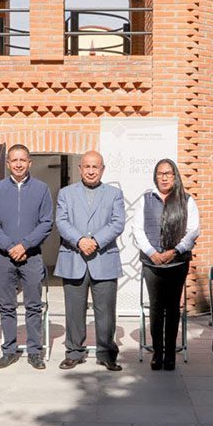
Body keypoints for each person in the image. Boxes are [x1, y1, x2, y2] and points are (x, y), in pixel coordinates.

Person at [55, 151, 125, 371]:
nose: (91, 171)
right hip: (73, 258)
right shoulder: (66, 193)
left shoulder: (114, 194)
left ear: (102, 169)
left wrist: (95, 241)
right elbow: (62, 221)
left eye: (96, 167)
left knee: (106, 311)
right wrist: (80, 241)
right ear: (80, 169)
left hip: (103, 258)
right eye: (87, 166)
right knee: (74, 311)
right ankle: (74, 352)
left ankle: (106, 353)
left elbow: (117, 223)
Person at [0, 144, 53, 370]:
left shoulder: (41, 189)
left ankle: (35, 351)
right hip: (3, 256)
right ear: (8, 164)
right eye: (14, 160)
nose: (18, 164)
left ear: (29, 163)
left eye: (22, 160)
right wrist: (10, 247)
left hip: (31, 256)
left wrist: (25, 245)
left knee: (33, 305)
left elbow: (46, 222)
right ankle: (9, 351)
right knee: (7, 306)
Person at [132, 159, 200, 371]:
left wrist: (175, 251)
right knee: (156, 308)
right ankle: (157, 353)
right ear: (155, 176)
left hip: (177, 262)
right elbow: (137, 230)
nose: (164, 177)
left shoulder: (186, 200)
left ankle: (170, 354)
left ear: (174, 176)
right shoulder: (146, 199)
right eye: (160, 174)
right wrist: (152, 253)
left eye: (168, 173)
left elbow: (193, 231)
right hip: (152, 263)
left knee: (172, 308)